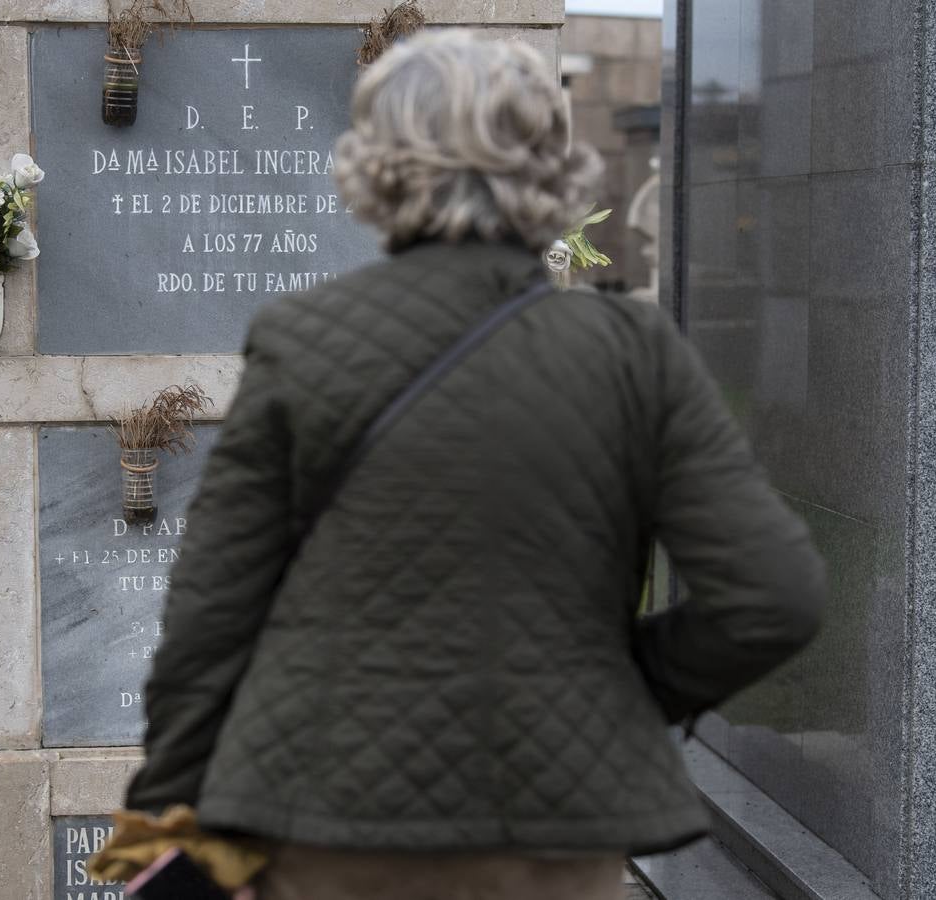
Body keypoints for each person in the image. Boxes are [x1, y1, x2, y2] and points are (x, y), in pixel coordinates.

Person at [124, 29, 826, 900]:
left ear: (380, 167)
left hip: (331, 825)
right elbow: (774, 596)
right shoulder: (632, 351)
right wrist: (617, 695)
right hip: (549, 834)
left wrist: (171, 814)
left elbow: (211, 617)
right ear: (548, 171)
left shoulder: (302, 340)